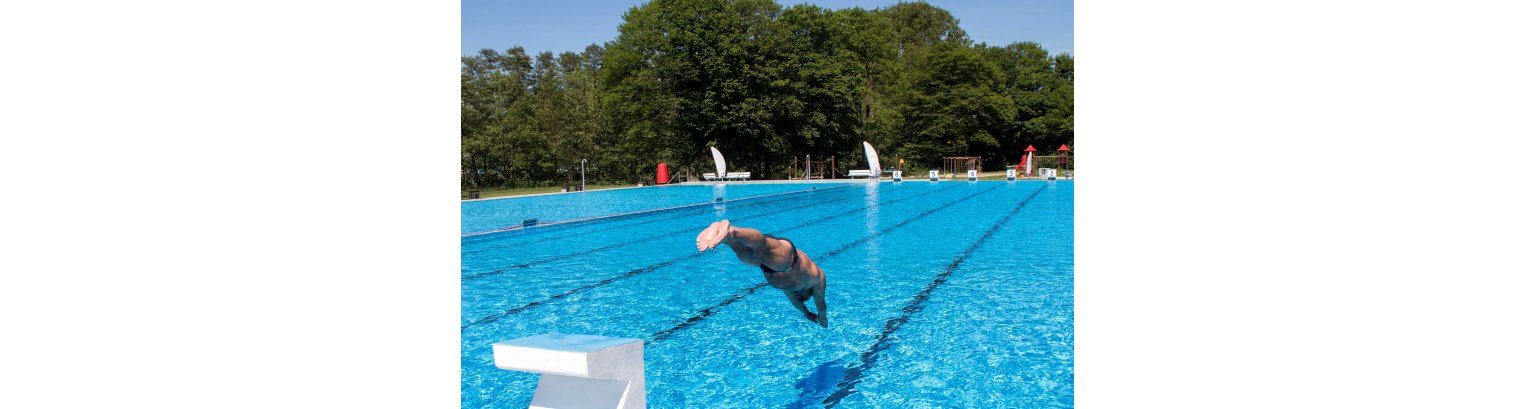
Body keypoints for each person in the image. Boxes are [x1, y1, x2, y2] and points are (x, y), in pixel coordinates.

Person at [695, 219, 828, 327]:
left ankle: (723, 235)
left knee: (744, 254)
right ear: (805, 293)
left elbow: (796, 302)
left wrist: (807, 313)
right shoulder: (817, 279)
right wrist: (822, 317)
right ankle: (732, 231)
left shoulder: (792, 290)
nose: (797, 296)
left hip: (767, 267)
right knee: (761, 248)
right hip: (789, 260)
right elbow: (820, 302)